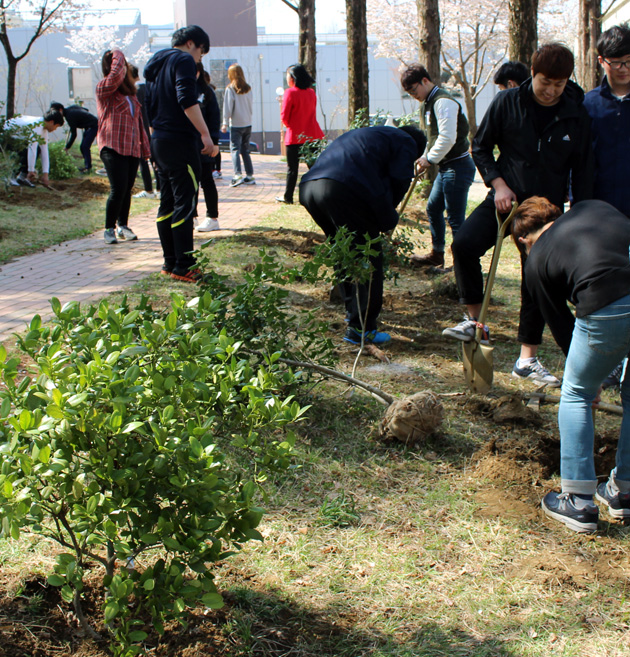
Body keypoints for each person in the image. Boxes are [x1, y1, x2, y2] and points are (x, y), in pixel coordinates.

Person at [442, 43, 594, 387]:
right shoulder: (508, 103)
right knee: (464, 244)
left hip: (546, 211)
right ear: (532, 73)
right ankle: (475, 321)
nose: (551, 90)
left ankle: (527, 359)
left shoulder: (575, 113)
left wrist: (578, 214)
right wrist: (497, 184)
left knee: (535, 279)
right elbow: (480, 146)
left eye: (558, 84)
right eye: (545, 82)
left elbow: (583, 168)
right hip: (505, 198)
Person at [511, 197, 630, 533]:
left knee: (576, 393)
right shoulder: (594, 207)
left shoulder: (536, 260)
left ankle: (577, 501)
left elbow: (563, 326)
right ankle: (624, 492)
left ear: (523, 240)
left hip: (605, 303)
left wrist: (588, 380)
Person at [299, 125, 427, 345]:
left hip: (310, 188)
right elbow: (399, 180)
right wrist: (387, 219)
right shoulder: (407, 142)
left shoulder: (374, 134)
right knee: (368, 254)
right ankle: (362, 328)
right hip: (342, 189)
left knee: (344, 251)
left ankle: (353, 316)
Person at [144, 25, 218, 282]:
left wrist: (156, 136)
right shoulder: (183, 60)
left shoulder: (155, 65)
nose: (200, 58)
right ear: (190, 44)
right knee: (185, 204)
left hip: (159, 141)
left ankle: (170, 262)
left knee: (168, 202)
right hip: (180, 141)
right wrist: (205, 134)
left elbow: (148, 106)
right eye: (201, 52)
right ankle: (185, 265)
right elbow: (187, 98)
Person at [400, 64, 475, 269]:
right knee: (433, 209)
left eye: (414, 90)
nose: (414, 95)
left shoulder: (443, 102)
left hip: (458, 166)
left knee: (455, 218)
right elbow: (432, 139)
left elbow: (447, 138)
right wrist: (425, 157)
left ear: (425, 81)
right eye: (409, 93)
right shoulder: (428, 102)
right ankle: (437, 254)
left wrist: (429, 159)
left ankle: (462, 265)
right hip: (446, 167)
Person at [96, 49, 150, 244]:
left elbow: (138, 123)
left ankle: (123, 226)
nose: (123, 68)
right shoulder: (104, 89)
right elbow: (114, 77)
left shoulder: (131, 95)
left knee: (127, 189)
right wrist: (117, 53)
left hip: (131, 148)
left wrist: (145, 149)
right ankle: (109, 228)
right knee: (117, 188)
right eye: (120, 65)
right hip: (112, 146)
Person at [276, 64, 324, 205]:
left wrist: (290, 125)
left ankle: (288, 197)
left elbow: (284, 116)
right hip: (312, 134)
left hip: (294, 136)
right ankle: (319, 194)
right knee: (314, 168)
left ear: (292, 78)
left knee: (292, 169)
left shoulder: (290, 93)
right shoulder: (311, 93)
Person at [7, 110, 64, 187]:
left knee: (38, 150)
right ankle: (11, 177)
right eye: (56, 126)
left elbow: (44, 151)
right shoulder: (36, 126)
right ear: (51, 122)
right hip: (8, 137)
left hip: (19, 140)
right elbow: (32, 148)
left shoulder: (43, 129)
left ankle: (22, 177)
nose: (55, 129)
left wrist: (45, 174)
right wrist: (31, 170)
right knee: (26, 151)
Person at [195, 62, 221, 231]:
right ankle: (191, 216)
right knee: (189, 182)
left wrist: (215, 142)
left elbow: (214, 117)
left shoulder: (206, 92)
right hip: (186, 144)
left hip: (204, 144)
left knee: (206, 180)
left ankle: (212, 217)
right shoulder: (181, 89)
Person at [221, 64, 254, 187]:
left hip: (236, 124)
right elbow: (251, 105)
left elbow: (227, 108)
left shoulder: (230, 89)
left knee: (234, 149)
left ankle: (237, 174)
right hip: (248, 123)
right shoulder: (248, 88)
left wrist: (225, 122)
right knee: (245, 150)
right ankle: (249, 175)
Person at [129, 66, 158, 200]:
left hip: (142, 131)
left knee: (143, 160)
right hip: (154, 129)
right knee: (156, 160)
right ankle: (160, 189)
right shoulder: (150, 88)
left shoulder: (135, 91)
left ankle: (148, 190)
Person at [49, 101, 98, 173]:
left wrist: (67, 147)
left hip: (94, 125)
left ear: (60, 110)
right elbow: (86, 110)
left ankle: (88, 168)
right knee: (82, 147)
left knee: (85, 146)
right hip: (89, 126)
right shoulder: (71, 109)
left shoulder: (69, 116)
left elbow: (74, 134)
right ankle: (88, 166)